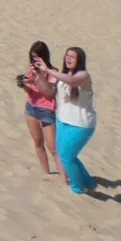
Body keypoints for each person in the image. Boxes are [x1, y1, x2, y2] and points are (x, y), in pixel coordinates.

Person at [36, 46, 96, 194]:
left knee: (66, 156)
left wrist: (49, 70)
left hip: (81, 125)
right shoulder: (62, 74)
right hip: (62, 121)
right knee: (67, 155)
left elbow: (71, 81)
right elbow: (51, 92)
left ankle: (77, 188)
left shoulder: (83, 76)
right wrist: (39, 77)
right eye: (67, 55)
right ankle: (88, 182)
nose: (68, 58)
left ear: (79, 60)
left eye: (72, 57)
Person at [18, 40, 61, 178]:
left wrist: (39, 78)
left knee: (53, 147)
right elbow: (30, 92)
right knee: (37, 142)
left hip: (46, 111)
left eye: (37, 56)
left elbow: (49, 94)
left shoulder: (53, 72)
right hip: (31, 108)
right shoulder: (32, 70)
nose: (34, 60)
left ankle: (64, 176)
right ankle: (46, 173)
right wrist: (23, 84)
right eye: (32, 57)